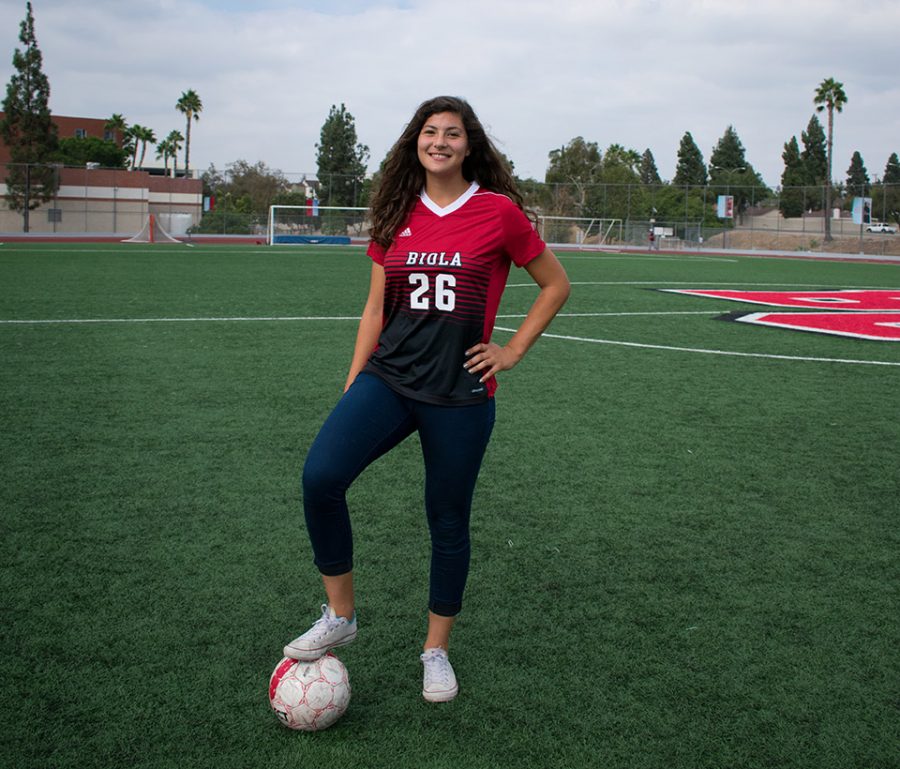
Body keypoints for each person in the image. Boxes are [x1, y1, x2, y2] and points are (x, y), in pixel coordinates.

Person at [283, 96, 570, 703]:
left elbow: (555, 283)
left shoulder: (498, 213)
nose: (440, 141)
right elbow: (374, 306)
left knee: (446, 518)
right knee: (320, 477)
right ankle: (342, 615)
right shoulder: (396, 213)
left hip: (459, 394)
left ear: (470, 146)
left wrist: (511, 350)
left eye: (453, 133)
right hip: (387, 380)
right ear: (416, 141)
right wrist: (355, 378)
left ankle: (435, 651)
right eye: (430, 132)